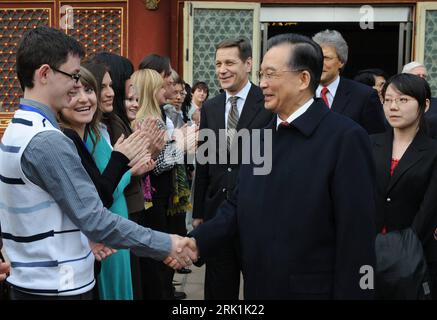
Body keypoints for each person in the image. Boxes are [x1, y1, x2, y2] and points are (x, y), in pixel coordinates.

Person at [0, 26, 195, 300]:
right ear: (44, 74)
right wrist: (166, 243)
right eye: (72, 75)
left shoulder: (20, 127)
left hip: (38, 281)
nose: (76, 85)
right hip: (57, 286)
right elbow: (95, 217)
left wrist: (82, 240)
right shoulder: (46, 140)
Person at [185, 33, 376, 299]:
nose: (262, 84)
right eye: (261, 74)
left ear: (303, 79)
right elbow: (239, 204)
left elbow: (356, 238)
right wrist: (196, 242)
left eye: (271, 75)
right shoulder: (262, 136)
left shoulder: (345, 138)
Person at [191, 37, 273, 300]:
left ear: (248, 64)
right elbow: (204, 161)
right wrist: (198, 211)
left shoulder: (268, 102)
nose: (221, 70)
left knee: (259, 287)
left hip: (255, 213)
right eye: (217, 64)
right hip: (217, 213)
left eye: (229, 62)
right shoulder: (212, 106)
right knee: (218, 287)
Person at [371, 73, 437, 299]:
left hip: (415, 254)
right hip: (368, 250)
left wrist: (400, 247)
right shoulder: (368, 143)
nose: (393, 107)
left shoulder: (432, 152)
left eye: (403, 100)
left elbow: (429, 209)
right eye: (387, 100)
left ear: (424, 105)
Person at [312, 29, 386, 134]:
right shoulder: (299, 93)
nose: (319, 63)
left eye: (326, 58)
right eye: (315, 57)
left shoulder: (364, 96)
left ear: (341, 61)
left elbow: (376, 140)